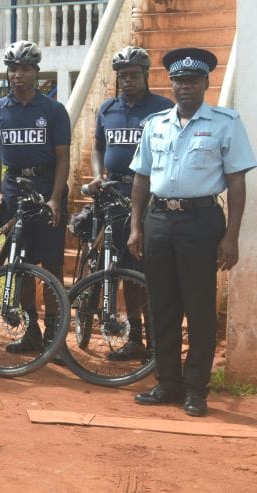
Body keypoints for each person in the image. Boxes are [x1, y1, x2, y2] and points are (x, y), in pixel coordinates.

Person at [129, 47, 254, 417]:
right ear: (171, 85)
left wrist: (231, 236)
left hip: (201, 223)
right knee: (162, 304)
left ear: (205, 84)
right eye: (179, 81)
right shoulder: (156, 125)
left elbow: (236, 182)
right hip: (159, 221)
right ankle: (167, 383)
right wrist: (136, 226)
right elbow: (140, 177)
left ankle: (196, 389)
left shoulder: (225, 123)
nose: (185, 87)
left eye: (193, 81)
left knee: (199, 308)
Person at [0, 40, 71, 354]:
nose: (18, 75)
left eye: (25, 68)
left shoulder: (53, 110)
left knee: (51, 266)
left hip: (48, 187)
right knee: (19, 263)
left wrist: (56, 199)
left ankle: (56, 338)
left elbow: (63, 157)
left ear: (36, 71)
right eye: (13, 68)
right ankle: (32, 332)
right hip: (13, 190)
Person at [87, 46, 172, 361]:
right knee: (125, 272)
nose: (128, 81)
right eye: (123, 76)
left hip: (152, 199)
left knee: (150, 273)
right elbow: (97, 146)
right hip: (115, 196)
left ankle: (158, 343)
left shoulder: (163, 108)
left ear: (146, 75)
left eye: (134, 75)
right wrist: (98, 174)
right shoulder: (107, 109)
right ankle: (136, 338)